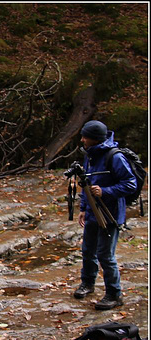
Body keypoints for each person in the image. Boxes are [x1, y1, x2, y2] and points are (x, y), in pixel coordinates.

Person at [73, 120, 137, 310]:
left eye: (85, 136)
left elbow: (130, 183)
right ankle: (88, 283)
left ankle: (114, 294)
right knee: (87, 250)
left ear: (95, 139)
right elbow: (86, 183)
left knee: (105, 255)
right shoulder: (90, 154)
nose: (82, 139)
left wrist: (106, 191)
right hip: (93, 212)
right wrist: (84, 208)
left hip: (110, 213)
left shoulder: (114, 157)